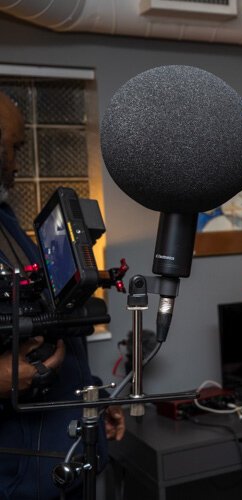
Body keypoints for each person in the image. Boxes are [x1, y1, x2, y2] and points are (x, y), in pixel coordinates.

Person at [0, 90, 125, 499]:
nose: (16, 164)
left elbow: (52, 321)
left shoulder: (6, 221)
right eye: (14, 147)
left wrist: (92, 396)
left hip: (68, 457)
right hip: (22, 479)